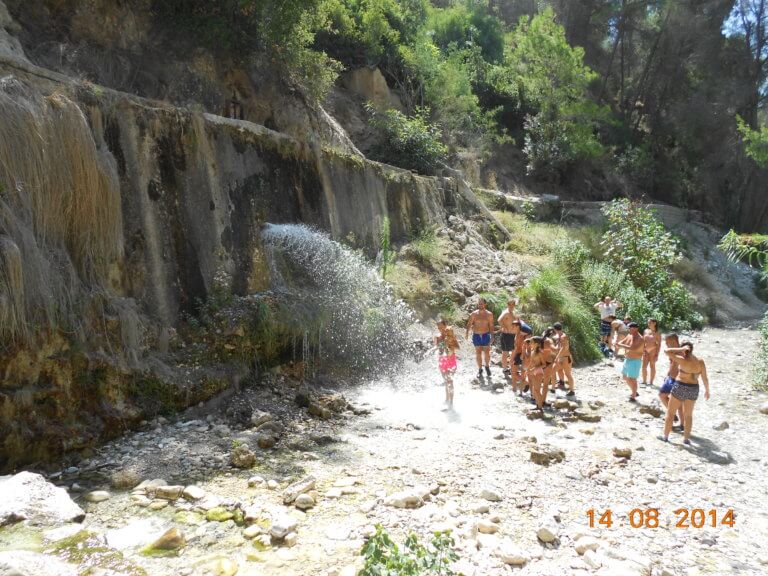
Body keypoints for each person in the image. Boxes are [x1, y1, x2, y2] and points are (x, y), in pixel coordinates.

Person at [660, 342, 710, 444]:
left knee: (670, 413)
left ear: (684, 349)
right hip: (693, 388)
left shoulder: (682, 360)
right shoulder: (700, 361)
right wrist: (707, 390)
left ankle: (665, 437)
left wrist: (680, 349)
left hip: (680, 386)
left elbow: (666, 351)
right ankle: (686, 439)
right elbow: (704, 377)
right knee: (688, 415)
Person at [658, 333, 684, 430]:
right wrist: (668, 374)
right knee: (662, 395)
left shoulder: (682, 351)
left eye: (668, 342)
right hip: (671, 378)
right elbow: (672, 363)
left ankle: (682, 425)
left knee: (680, 404)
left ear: (673, 341)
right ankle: (673, 415)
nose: (666, 344)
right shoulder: (674, 351)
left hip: (678, 380)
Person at [466, 297, 494, 378]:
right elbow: (469, 323)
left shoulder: (489, 314)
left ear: (485, 304)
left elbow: (491, 325)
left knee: (487, 353)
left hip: (486, 335)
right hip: (476, 335)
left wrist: (492, 336)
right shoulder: (474, 314)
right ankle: (480, 369)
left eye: (482, 303)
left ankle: (487, 366)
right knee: (478, 353)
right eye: (479, 303)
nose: (480, 305)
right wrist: (467, 332)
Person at [616, 322, 643, 401]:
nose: (628, 329)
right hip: (627, 359)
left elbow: (633, 348)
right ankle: (634, 391)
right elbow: (622, 342)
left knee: (632, 379)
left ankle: (633, 396)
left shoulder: (640, 338)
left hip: (635, 361)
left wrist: (620, 345)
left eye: (629, 328)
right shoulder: (629, 335)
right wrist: (620, 344)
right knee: (625, 377)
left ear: (635, 328)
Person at [435, 320, 459, 408]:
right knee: (446, 381)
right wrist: (440, 346)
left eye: (442, 327)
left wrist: (451, 346)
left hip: (451, 360)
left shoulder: (451, 335)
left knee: (450, 380)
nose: (440, 329)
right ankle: (447, 399)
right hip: (442, 360)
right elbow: (437, 348)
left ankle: (451, 402)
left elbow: (457, 346)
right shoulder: (437, 337)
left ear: (446, 326)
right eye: (438, 328)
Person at [497, 299, 519, 377]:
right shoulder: (506, 312)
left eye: (513, 304)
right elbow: (499, 320)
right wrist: (504, 327)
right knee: (505, 353)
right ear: (507, 304)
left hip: (513, 335)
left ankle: (510, 367)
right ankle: (504, 369)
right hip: (506, 335)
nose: (511, 306)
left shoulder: (514, 312)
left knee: (513, 352)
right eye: (510, 304)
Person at [553, 322, 575, 396]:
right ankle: (561, 383)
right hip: (561, 358)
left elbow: (564, 348)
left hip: (565, 358)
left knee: (568, 374)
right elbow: (558, 347)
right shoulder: (559, 336)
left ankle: (572, 390)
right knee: (559, 370)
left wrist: (557, 356)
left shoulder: (563, 337)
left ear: (555, 329)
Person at [526, 336, 547, 411]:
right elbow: (531, 362)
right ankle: (538, 406)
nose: (530, 344)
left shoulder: (540, 352)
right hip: (532, 371)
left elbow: (544, 364)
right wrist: (528, 369)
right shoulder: (532, 351)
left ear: (537, 344)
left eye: (531, 342)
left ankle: (541, 406)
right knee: (535, 390)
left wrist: (535, 368)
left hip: (538, 372)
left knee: (537, 390)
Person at [641, 319, 661, 387]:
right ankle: (644, 381)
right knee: (644, 367)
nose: (648, 324)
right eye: (648, 322)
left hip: (653, 351)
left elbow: (659, 344)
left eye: (650, 323)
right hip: (645, 351)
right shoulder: (646, 330)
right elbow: (643, 341)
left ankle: (651, 382)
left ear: (654, 323)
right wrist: (642, 350)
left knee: (652, 366)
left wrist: (657, 354)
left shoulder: (657, 333)